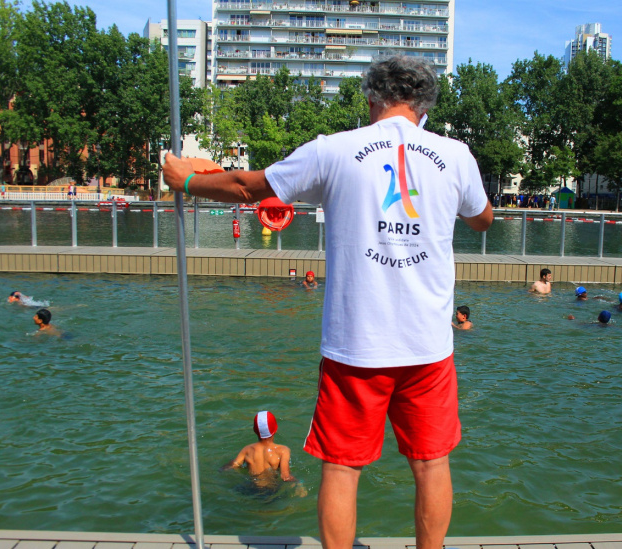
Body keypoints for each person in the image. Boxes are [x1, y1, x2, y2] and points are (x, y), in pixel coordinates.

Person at [162, 56, 493, 549]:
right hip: (429, 347)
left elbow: (245, 187)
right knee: (431, 464)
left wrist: (185, 179)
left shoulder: (334, 150)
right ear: (424, 107)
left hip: (356, 347)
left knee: (342, 468)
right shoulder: (457, 155)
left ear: (370, 99)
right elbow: (483, 219)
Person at [222, 411, 297, 482]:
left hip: (250, 488)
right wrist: (300, 483)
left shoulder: (247, 449)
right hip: (271, 490)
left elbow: (233, 465)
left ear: (254, 430)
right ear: (276, 429)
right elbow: (285, 476)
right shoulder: (283, 450)